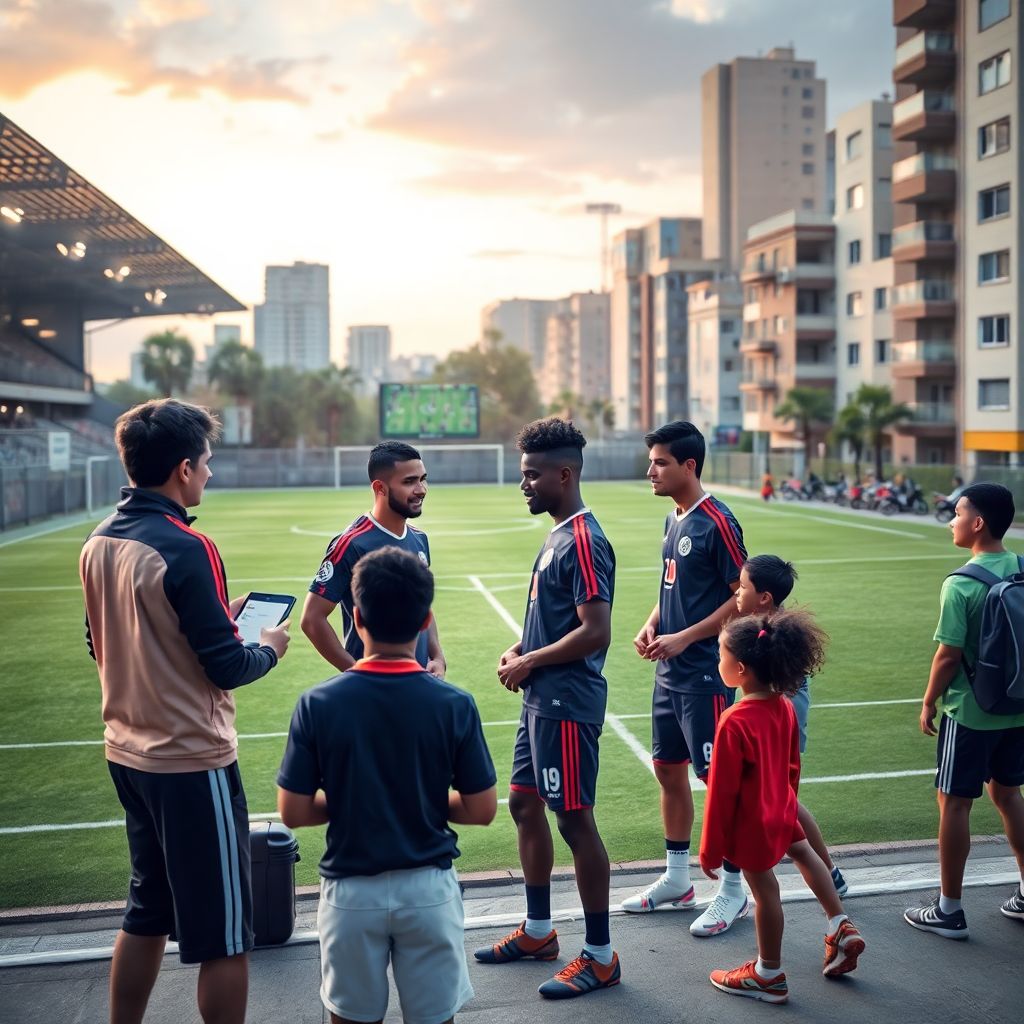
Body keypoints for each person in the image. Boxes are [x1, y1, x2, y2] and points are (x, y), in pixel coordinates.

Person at [79, 399, 291, 1024]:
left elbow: (103, 640)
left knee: (147, 908)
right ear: (182, 470)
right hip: (190, 761)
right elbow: (228, 666)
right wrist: (267, 647)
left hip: (127, 753)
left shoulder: (100, 540)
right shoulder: (187, 544)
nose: (210, 473)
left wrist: (218, 621)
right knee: (225, 932)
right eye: (206, 462)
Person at [278, 548, 497, 1024]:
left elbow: (293, 811)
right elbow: (481, 809)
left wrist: (359, 800)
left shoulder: (317, 703)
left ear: (356, 619)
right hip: (429, 889)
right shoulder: (454, 703)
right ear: (425, 622)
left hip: (350, 892)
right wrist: (418, 800)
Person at [474, 417, 620, 999]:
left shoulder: (585, 539)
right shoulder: (558, 533)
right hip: (540, 699)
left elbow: (597, 630)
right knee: (523, 805)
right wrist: (523, 648)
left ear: (565, 474)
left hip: (566, 703)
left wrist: (532, 662)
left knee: (574, 820)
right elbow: (557, 620)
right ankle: (538, 931)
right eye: (522, 474)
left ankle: (602, 956)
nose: (524, 484)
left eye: (533, 475)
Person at [622, 420, 751, 939]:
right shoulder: (674, 519)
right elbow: (674, 584)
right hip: (670, 671)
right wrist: (655, 622)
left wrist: (686, 637)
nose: (649, 470)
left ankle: (736, 892)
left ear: (688, 466)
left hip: (704, 674)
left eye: (659, 462)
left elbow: (740, 598)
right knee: (668, 771)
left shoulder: (718, 521)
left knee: (720, 783)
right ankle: (678, 879)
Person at [700, 610, 866, 1004]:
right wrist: (787, 801)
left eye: (720, 655)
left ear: (739, 669)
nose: (717, 662)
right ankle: (841, 924)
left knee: (766, 890)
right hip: (782, 806)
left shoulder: (733, 720)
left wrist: (710, 850)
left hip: (753, 822)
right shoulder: (786, 706)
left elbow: (721, 794)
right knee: (805, 852)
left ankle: (768, 973)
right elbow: (794, 765)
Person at [905, 482, 1024, 938]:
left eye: (957, 513)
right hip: (1016, 707)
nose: (952, 520)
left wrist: (929, 700)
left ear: (978, 523)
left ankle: (949, 909)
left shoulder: (961, 583)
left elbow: (948, 655)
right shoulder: (1021, 569)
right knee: (1010, 796)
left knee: (954, 804)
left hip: (971, 711)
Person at [736, 555, 847, 896]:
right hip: (782, 719)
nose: (736, 593)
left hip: (782, 722)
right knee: (785, 801)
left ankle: (828, 876)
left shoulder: (772, 633)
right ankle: (830, 875)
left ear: (765, 597)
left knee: (784, 803)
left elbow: (779, 690)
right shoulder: (770, 624)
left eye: (742, 587)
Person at [302, 440, 446, 676]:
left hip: (418, 680)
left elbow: (423, 606)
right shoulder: (351, 544)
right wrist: (358, 672)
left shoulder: (420, 539)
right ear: (380, 488)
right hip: (371, 692)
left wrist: (437, 657)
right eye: (409, 481)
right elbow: (311, 618)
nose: (421, 489)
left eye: (422, 479)